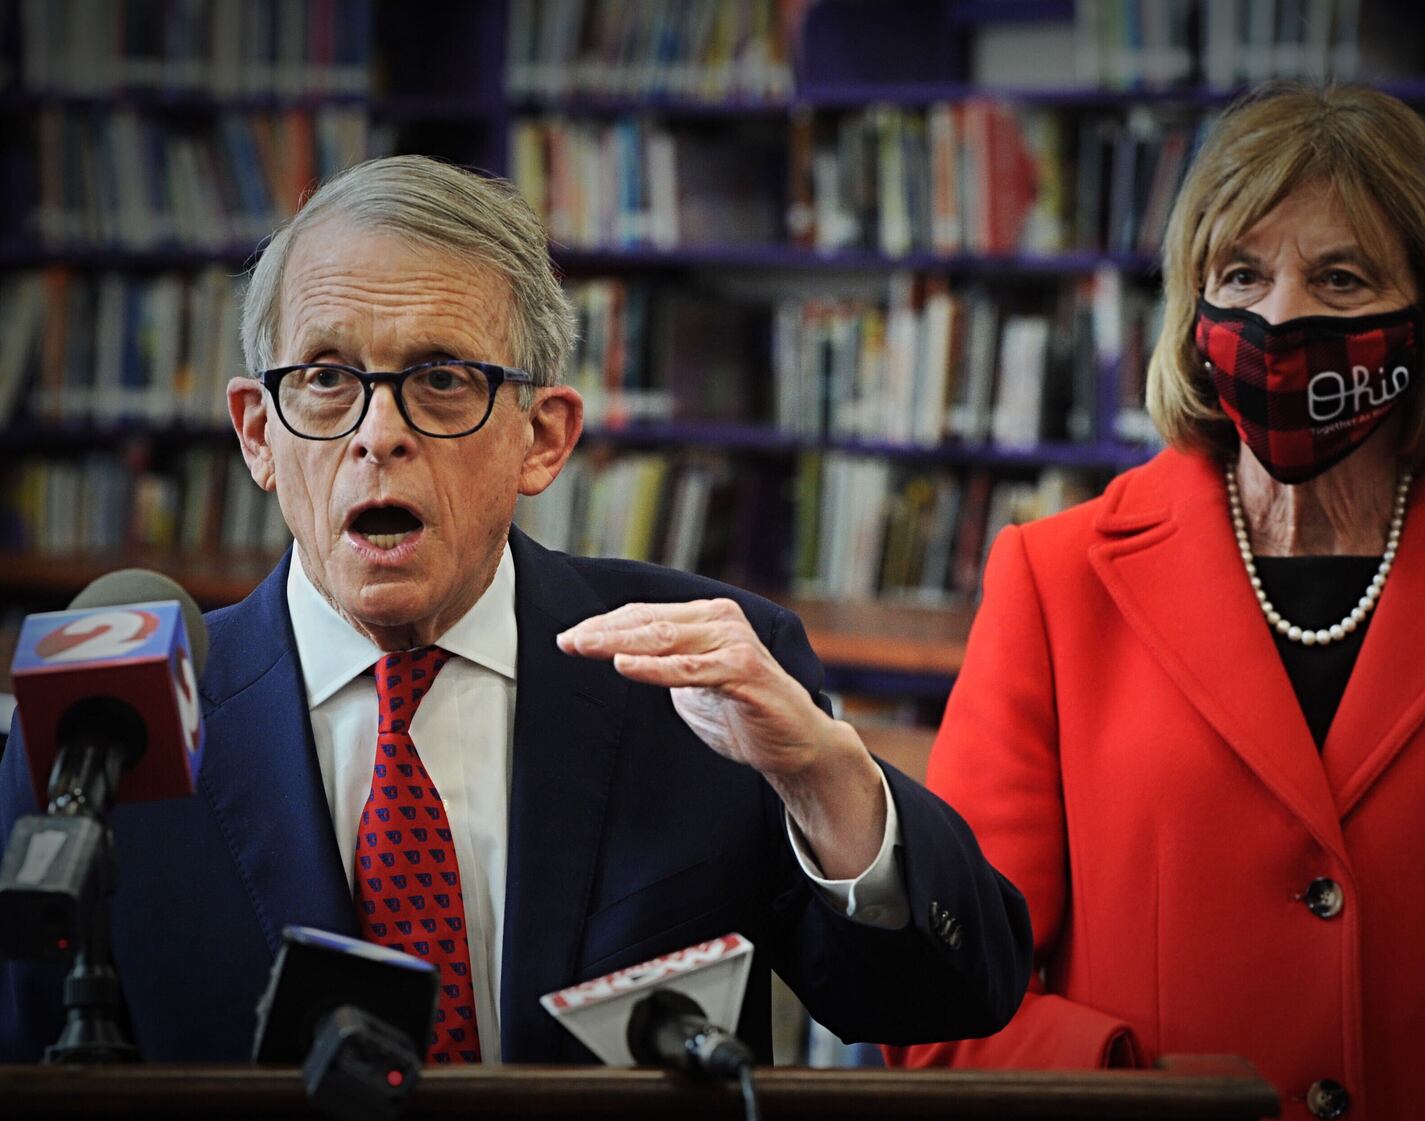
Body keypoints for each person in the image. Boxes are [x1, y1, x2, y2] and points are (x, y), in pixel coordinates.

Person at [0, 155, 1030, 1064]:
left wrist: (824, 776)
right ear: (258, 433)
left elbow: (947, 998)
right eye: (324, 378)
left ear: (542, 436)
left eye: (441, 379)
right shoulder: (103, 736)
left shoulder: (706, 674)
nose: (378, 434)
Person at [887, 83, 1425, 1121]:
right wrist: (1141, 1101)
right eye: (1241, 273)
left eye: (1340, 277)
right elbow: (946, 996)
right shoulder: (1055, 579)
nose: (1277, 318)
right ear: (1192, 301)